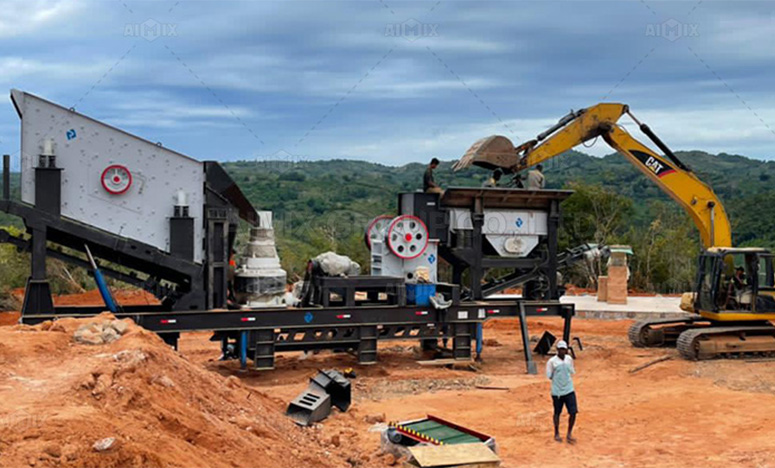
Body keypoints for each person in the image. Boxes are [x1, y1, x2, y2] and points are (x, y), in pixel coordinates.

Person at [546, 340, 577, 444]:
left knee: (573, 412)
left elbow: (572, 371)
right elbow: (549, 375)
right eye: (561, 349)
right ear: (557, 350)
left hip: (569, 389)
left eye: (564, 349)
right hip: (557, 392)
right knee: (557, 413)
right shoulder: (551, 362)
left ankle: (569, 433)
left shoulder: (569, 359)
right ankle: (556, 432)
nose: (563, 351)